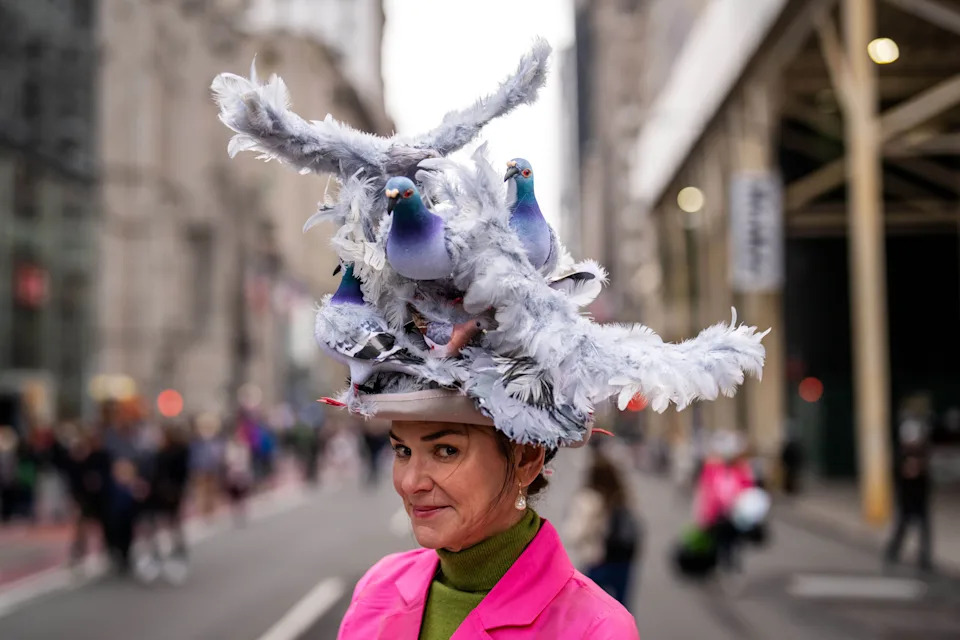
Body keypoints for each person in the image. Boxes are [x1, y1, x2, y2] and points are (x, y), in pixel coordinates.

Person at [565, 448, 642, 607]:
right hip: (623, 558)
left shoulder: (588, 499)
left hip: (597, 560)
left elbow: (574, 534)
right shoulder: (622, 495)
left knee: (592, 610)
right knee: (621, 607)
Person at [694, 430, 755, 573]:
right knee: (718, 542)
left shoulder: (740, 469)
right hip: (716, 514)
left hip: (735, 513)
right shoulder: (711, 469)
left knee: (733, 542)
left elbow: (747, 489)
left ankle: (730, 565)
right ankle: (719, 565)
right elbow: (706, 492)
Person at [140, 423, 191, 582]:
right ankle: (158, 557)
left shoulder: (178, 452)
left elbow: (180, 474)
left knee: (171, 524)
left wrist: (174, 490)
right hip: (159, 493)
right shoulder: (161, 452)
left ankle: (177, 555)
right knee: (157, 524)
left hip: (170, 493)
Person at [884, 413, 934, 572]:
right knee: (903, 526)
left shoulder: (922, 455)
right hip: (907, 497)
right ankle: (892, 551)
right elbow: (900, 475)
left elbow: (925, 476)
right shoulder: (902, 457)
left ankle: (924, 557)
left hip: (919, 497)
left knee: (923, 528)